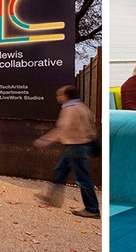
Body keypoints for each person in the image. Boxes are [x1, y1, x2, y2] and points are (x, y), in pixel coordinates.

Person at [34, 84, 100, 219]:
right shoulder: (83, 107)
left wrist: (45, 140)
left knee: (82, 178)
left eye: (60, 95)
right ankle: (52, 198)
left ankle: (92, 209)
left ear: (67, 96)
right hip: (80, 145)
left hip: (75, 145)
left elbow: (62, 128)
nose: (58, 97)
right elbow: (91, 128)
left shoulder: (70, 109)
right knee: (60, 170)